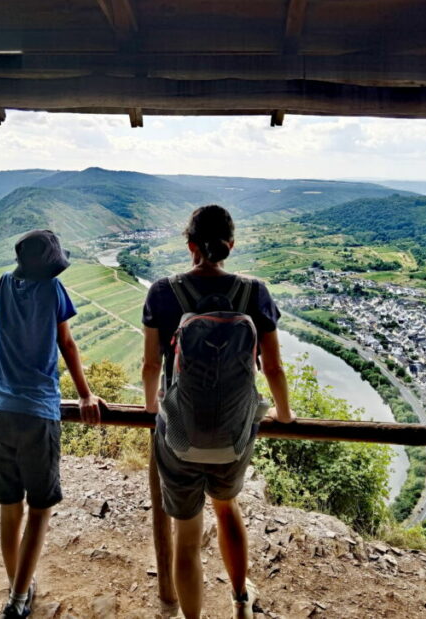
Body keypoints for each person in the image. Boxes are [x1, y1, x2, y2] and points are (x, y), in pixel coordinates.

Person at [142, 205, 295, 619]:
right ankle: (241, 600)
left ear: (190, 245)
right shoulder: (254, 293)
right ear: (231, 244)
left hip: (178, 437)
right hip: (233, 435)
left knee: (186, 537)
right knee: (227, 508)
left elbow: (151, 367)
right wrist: (283, 415)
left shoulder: (161, 292)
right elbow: (274, 367)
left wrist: (153, 412)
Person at [0, 229, 106, 619]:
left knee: (9, 507)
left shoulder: (2, 285)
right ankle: (19, 599)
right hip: (38, 413)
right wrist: (86, 394)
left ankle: (16, 585)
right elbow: (66, 344)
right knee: (39, 509)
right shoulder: (52, 290)